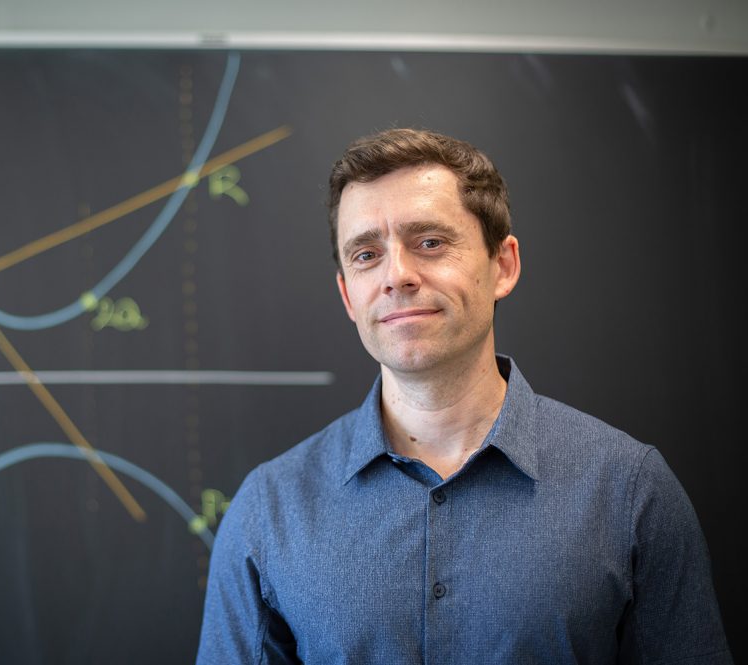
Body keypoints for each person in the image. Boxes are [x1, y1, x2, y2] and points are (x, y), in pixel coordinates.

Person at [196, 128, 732, 664]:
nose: (397, 275)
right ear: (347, 296)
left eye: (430, 242)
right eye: (365, 254)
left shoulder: (632, 492)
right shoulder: (268, 511)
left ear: (503, 265)